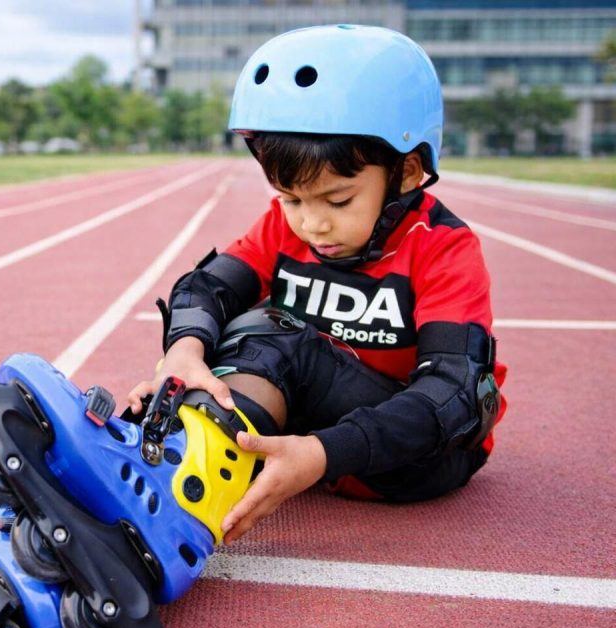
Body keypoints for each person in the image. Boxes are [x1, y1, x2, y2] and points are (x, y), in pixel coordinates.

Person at [128, 24, 507, 544]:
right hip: (313, 435)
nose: (312, 224)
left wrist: (324, 453)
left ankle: (170, 503)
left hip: (418, 455)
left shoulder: (442, 247)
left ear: (409, 171)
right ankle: (157, 453)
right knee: (215, 339)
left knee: (272, 335)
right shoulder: (285, 225)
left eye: (338, 201)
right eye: (291, 198)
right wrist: (183, 353)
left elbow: (451, 397)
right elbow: (206, 287)